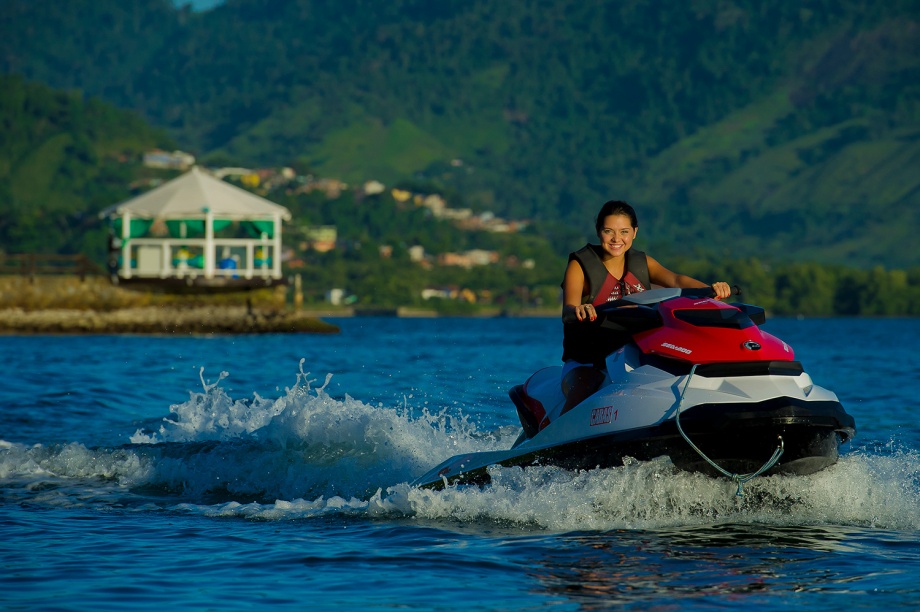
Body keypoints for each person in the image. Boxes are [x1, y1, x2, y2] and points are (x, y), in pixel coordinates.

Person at [560, 200, 732, 414]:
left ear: (634, 232)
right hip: (587, 362)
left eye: (624, 231)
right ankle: (551, 442)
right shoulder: (580, 265)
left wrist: (711, 290)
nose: (616, 239)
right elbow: (569, 308)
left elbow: (677, 281)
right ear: (598, 232)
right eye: (608, 231)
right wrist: (578, 310)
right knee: (587, 381)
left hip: (630, 354)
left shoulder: (642, 263)